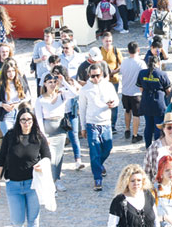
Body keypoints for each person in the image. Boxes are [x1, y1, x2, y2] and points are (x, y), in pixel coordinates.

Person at [0, 107, 51, 227]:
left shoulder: (39, 137)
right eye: (23, 120)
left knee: (33, 221)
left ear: (33, 120)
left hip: (33, 184)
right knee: (17, 221)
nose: (26, 123)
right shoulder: (10, 136)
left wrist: (42, 165)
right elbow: (1, 160)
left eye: (29, 119)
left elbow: (47, 156)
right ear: (18, 121)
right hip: (13, 185)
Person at [33, 71, 77, 192]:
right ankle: (49, 183)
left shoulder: (61, 95)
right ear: (45, 84)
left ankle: (57, 179)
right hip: (48, 129)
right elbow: (39, 118)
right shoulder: (40, 100)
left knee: (59, 156)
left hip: (60, 128)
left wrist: (64, 82)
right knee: (49, 157)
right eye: (49, 82)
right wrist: (43, 136)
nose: (52, 84)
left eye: (54, 82)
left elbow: (74, 93)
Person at [79, 63, 120, 191]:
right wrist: (83, 127)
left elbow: (117, 100)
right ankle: (97, 178)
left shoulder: (108, 86)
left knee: (107, 147)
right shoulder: (85, 89)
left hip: (106, 122)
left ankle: (98, 165)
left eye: (98, 75)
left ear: (102, 74)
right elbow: (82, 108)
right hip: (92, 123)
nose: (95, 78)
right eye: (93, 76)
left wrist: (113, 104)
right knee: (94, 151)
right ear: (89, 75)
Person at [137, 55, 172, 147]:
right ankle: (157, 146)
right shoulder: (162, 74)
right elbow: (168, 90)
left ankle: (148, 146)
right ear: (158, 63)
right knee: (158, 125)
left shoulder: (142, 73)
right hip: (158, 101)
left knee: (148, 125)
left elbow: (140, 88)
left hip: (146, 101)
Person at [0, 59, 32, 135]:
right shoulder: (0, 84)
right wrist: (2, 104)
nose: (11, 73)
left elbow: (28, 96)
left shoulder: (20, 82)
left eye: (13, 71)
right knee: (8, 136)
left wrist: (18, 104)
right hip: (6, 113)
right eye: (8, 71)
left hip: (19, 111)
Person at [120, 41, 146, 143]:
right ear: (138, 50)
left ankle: (127, 129)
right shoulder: (141, 63)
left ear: (128, 51)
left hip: (125, 91)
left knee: (127, 110)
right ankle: (135, 135)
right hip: (136, 93)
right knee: (136, 115)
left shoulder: (124, 62)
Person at [100, 32, 124, 133]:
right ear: (102, 41)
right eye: (106, 41)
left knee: (113, 102)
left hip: (113, 80)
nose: (108, 43)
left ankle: (112, 125)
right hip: (101, 81)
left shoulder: (115, 50)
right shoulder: (99, 50)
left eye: (110, 41)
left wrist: (114, 71)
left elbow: (122, 64)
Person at [155, 155, 172, 227]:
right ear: (161, 172)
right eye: (167, 170)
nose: (171, 173)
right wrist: (164, 218)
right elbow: (149, 218)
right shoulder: (155, 191)